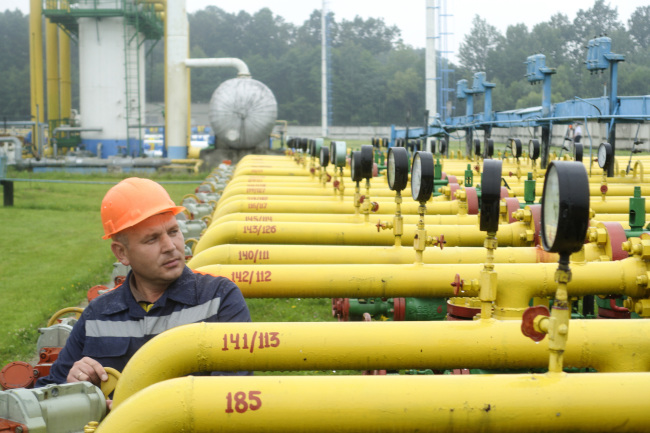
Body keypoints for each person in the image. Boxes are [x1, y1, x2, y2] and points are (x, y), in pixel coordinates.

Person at [36, 177, 251, 388]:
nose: (171, 246)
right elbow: (48, 394)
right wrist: (70, 383)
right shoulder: (97, 315)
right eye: (152, 239)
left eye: (173, 232)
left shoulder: (219, 298)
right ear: (122, 253)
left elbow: (230, 395)